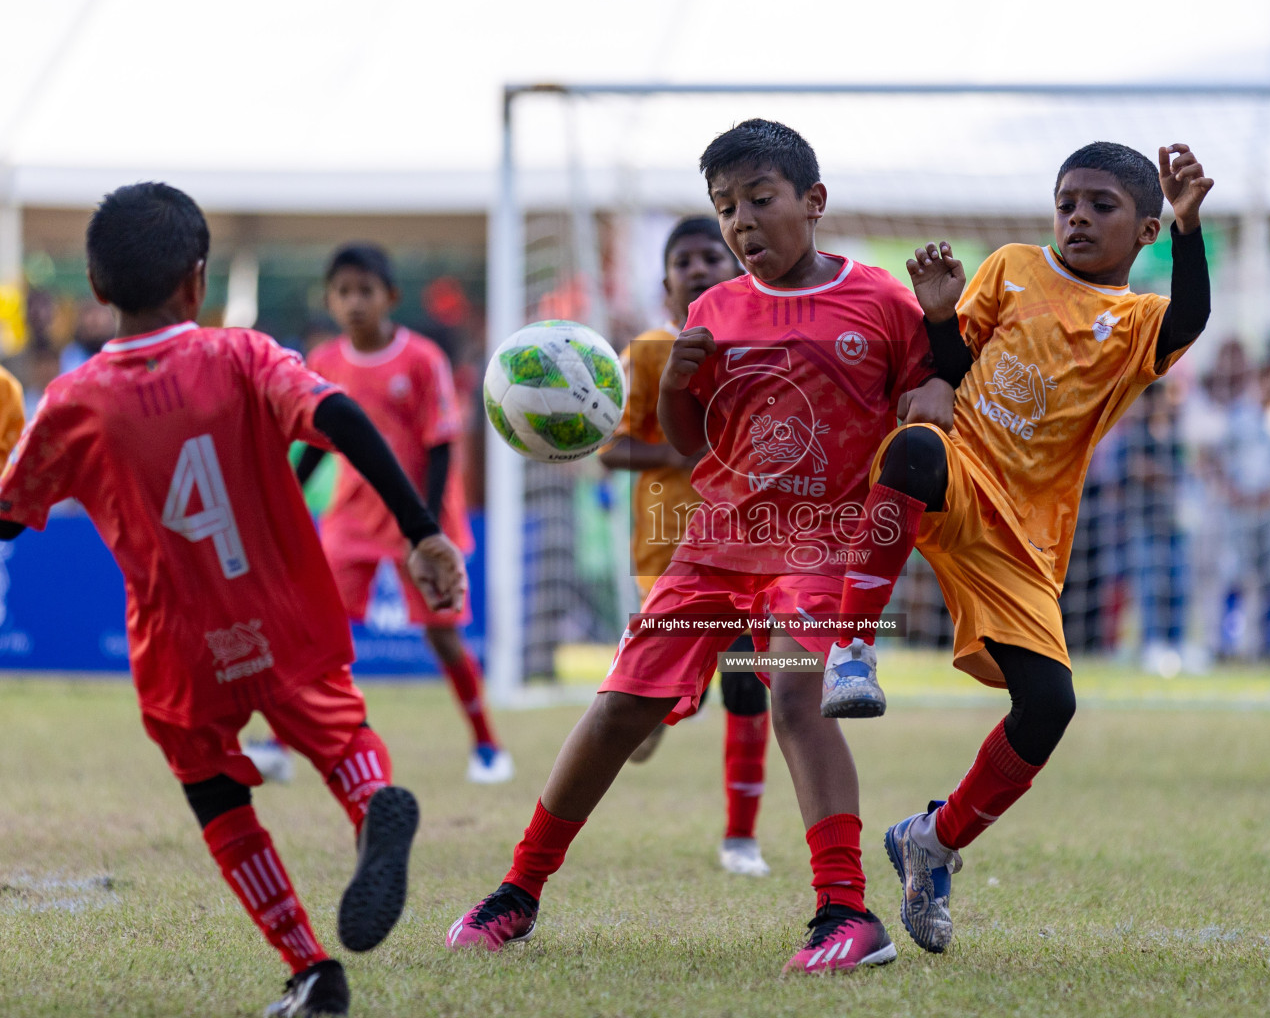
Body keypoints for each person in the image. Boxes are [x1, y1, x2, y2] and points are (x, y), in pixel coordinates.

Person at [445, 118, 948, 973]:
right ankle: (518, 892)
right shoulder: (714, 309)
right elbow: (691, 442)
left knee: (793, 697)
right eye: (725, 208)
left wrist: (934, 387)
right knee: (617, 709)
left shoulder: (882, 302)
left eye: (760, 199)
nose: (742, 223)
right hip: (714, 543)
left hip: (821, 548)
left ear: (813, 202)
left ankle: (846, 915)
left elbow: (928, 391)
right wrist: (678, 383)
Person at [0, 183, 468, 1018]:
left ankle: (309, 969)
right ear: (198, 281)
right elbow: (341, 417)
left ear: (97, 291)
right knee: (343, 736)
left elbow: (6, 517)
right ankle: (369, 810)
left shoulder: (71, 401)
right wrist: (422, 528)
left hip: (178, 643)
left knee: (216, 792)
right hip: (283, 613)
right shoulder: (242, 355)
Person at [821, 141, 1213, 953]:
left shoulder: (1137, 322)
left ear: (1143, 228)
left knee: (1049, 705)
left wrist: (1189, 226)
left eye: (1100, 206)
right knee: (917, 449)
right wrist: (937, 314)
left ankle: (932, 841)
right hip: (957, 471)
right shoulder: (1010, 267)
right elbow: (952, 367)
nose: (1077, 216)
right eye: (1067, 201)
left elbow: (1190, 318)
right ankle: (850, 647)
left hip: (1023, 534)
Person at [271, 244, 510, 785]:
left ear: (390, 297)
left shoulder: (422, 359)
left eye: (365, 291)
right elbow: (315, 442)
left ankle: (488, 746)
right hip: (351, 519)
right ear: (330, 300)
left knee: (444, 637)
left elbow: (441, 445)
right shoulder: (325, 361)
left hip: (423, 520)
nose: (355, 302)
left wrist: (423, 531)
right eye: (343, 292)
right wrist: (286, 497)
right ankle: (281, 744)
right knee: (320, 632)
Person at [597, 215, 774, 877]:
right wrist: (683, 451)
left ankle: (740, 838)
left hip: (751, 556)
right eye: (684, 261)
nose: (699, 268)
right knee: (654, 703)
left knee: (753, 685)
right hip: (668, 554)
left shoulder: (762, 352)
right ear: (666, 281)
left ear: (737, 272)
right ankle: (651, 719)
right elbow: (609, 450)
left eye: (711, 257)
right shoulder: (645, 353)